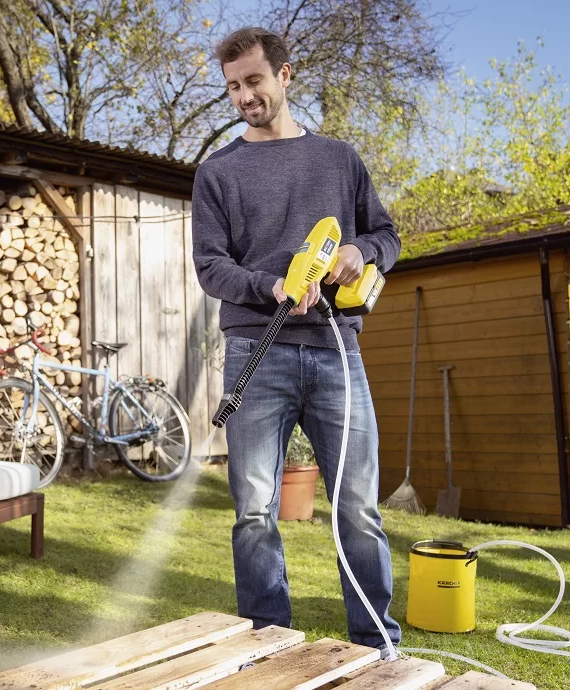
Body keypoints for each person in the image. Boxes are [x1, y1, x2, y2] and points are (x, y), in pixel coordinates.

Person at [191, 26, 402, 652]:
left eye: (254, 80)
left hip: (338, 350)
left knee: (358, 507)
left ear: (285, 76)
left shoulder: (339, 159)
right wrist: (272, 287)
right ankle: (268, 646)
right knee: (255, 512)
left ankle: (376, 646)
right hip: (256, 355)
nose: (244, 96)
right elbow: (210, 266)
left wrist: (360, 254)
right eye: (233, 87)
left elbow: (388, 236)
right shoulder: (218, 173)